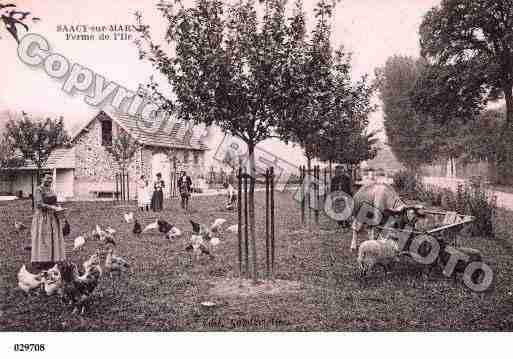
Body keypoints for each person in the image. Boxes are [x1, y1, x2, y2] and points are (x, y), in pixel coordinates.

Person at [30, 173, 66, 271]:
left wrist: (59, 207)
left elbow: (55, 201)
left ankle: (51, 259)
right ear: (42, 179)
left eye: (51, 179)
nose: (49, 181)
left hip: (53, 217)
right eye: (47, 178)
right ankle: (41, 260)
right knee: (43, 238)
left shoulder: (51, 190)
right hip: (42, 217)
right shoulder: (39, 190)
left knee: (52, 238)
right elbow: (38, 204)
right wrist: (52, 207)